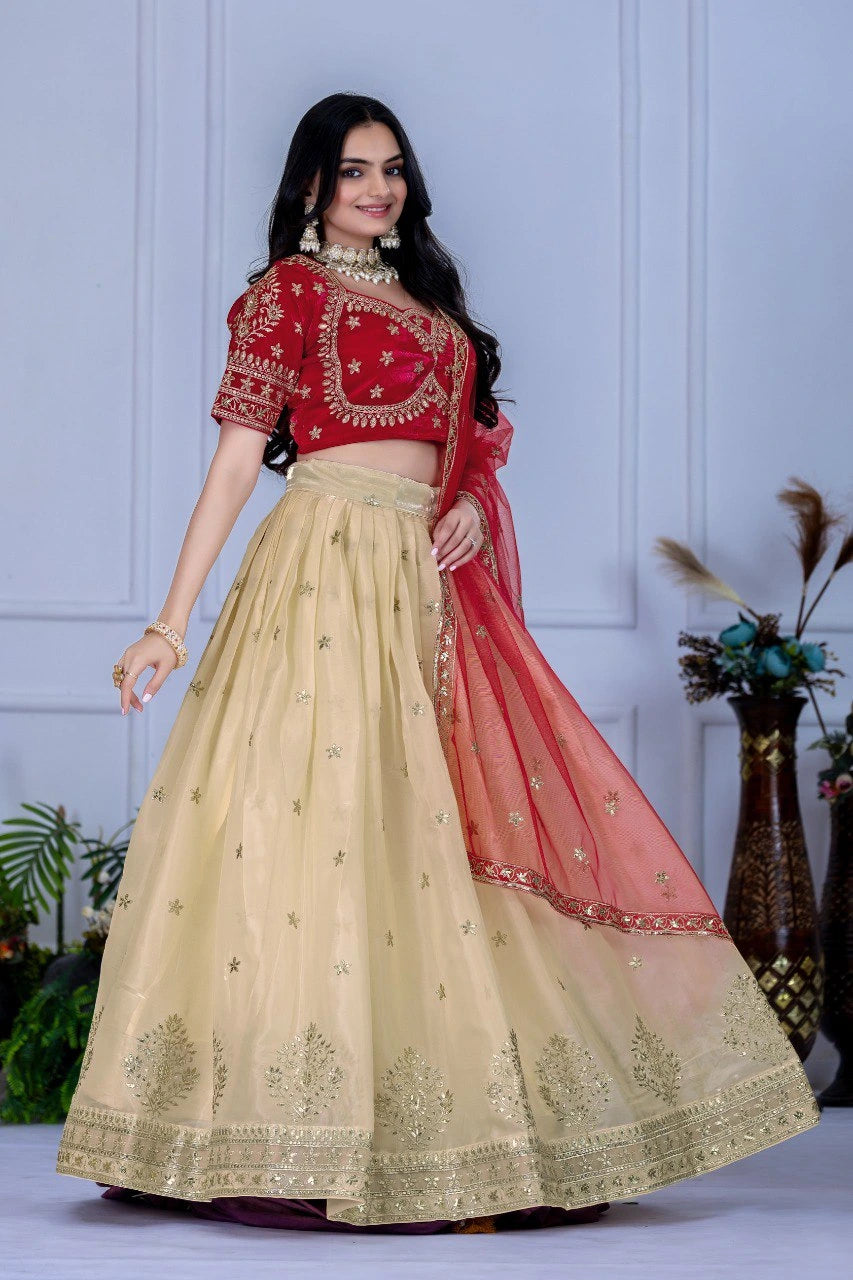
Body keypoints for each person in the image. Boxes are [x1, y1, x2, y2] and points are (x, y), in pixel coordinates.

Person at [55, 92, 820, 1234]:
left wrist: (464, 493)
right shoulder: (286, 294)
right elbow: (229, 466)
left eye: (393, 169)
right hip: (323, 569)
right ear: (311, 187)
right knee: (323, 829)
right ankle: (291, 1125)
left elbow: (468, 437)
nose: (379, 188)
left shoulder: (427, 300)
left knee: (438, 832)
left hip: (422, 581)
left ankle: (467, 1120)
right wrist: (167, 620)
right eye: (354, 170)